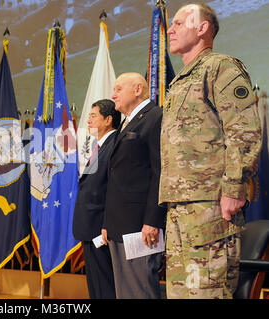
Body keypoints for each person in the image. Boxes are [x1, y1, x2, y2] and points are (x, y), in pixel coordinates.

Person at [160, 3, 262, 299]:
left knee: (208, 293)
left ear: (202, 28)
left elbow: (243, 131)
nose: (171, 29)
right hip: (179, 207)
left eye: (179, 23)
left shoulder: (221, 67)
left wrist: (233, 187)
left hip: (211, 207)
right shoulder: (180, 81)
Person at [102, 73, 166, 299]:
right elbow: (119, 176)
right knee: (124, 292)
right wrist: (108, 222)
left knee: (140, 291)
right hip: (120, 224)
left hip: (141, 226)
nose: (113, 95)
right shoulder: (129, 121)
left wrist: (152, 220)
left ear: (138, 89)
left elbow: (159, 173)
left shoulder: (156, 117)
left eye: (119, 89)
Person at [73, 99, 121, 299]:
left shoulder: (114, 145)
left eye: (94, 116)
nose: (89, 120)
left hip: (100, 229)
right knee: (96, 286)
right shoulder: (101, 145)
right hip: (90, 228)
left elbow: (112, 189)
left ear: (108, 119)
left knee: (104, 286)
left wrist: (106, 224)